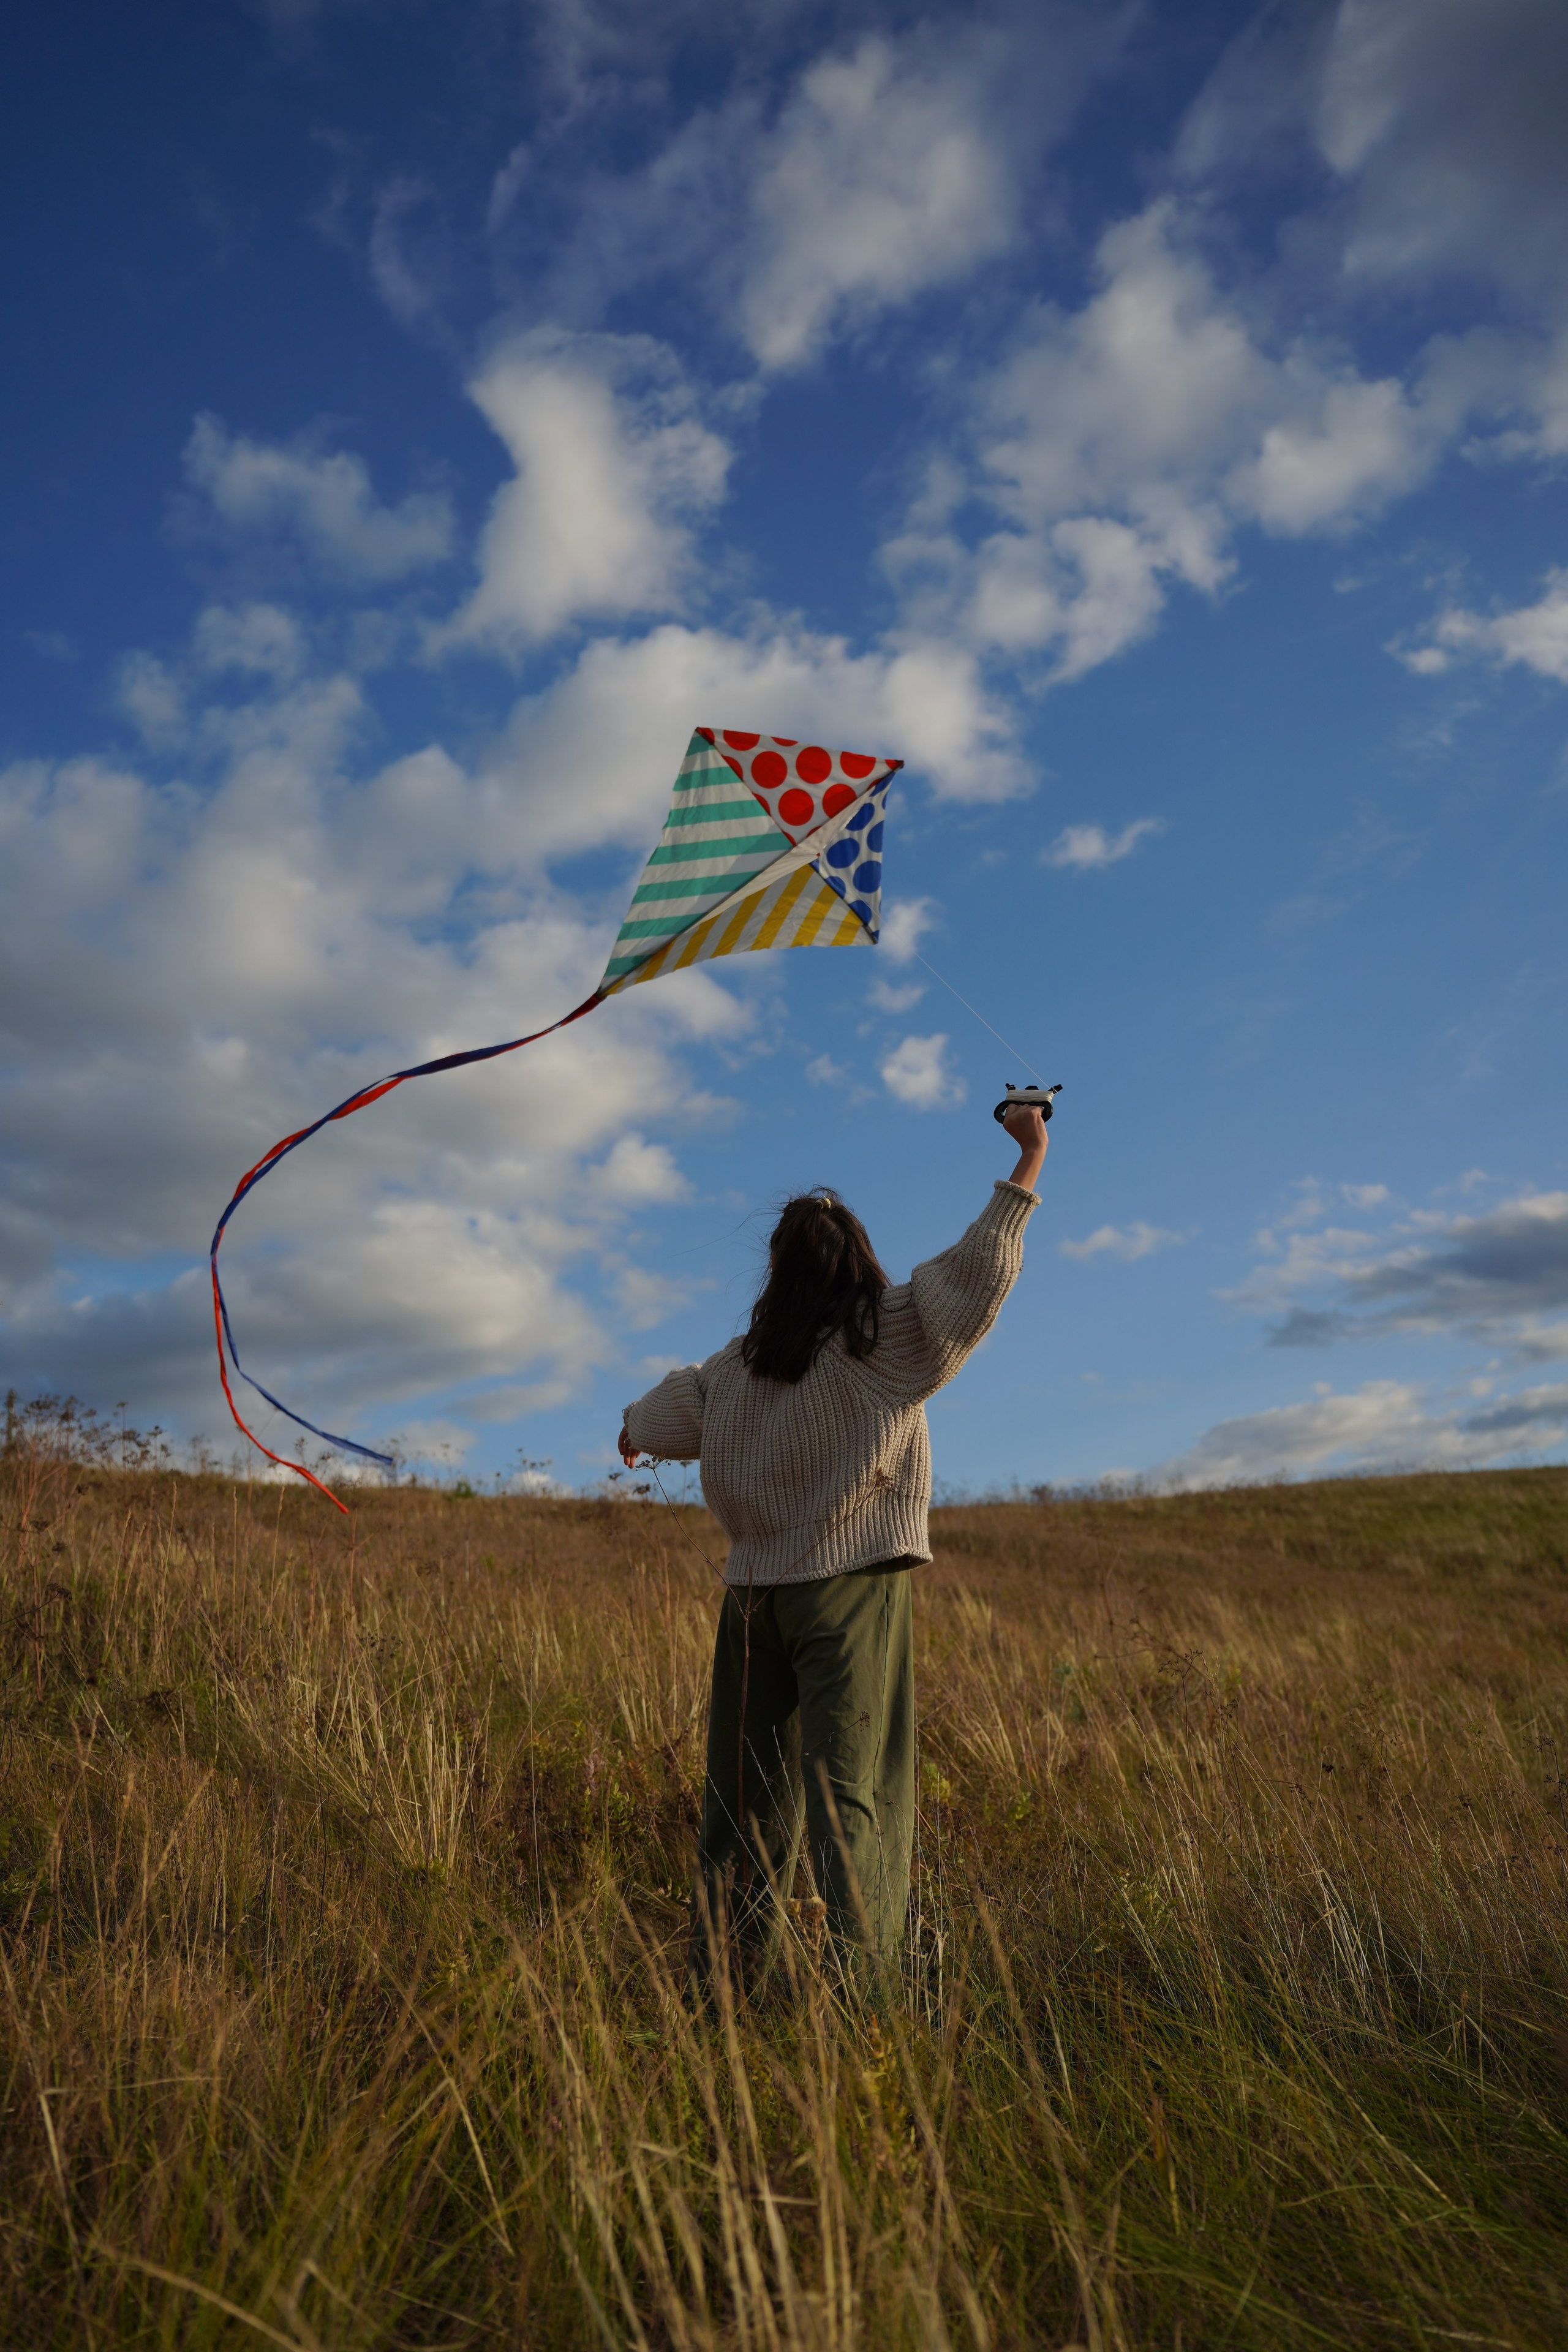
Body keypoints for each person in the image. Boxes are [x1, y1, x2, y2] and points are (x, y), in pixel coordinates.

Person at [618, 1101, 1049, 1992]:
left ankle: (724, 1989)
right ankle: (863, 2011)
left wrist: (630, 1430)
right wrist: (1029, 1156)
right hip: (849, 1593)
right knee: (854, 1800)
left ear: (776, 1273)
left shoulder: (735, 1367)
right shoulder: (882, 1338)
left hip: (752, 1604)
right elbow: (976, 1273)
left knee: (741, 1803)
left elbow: (656, 1415)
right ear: (857, 1260)